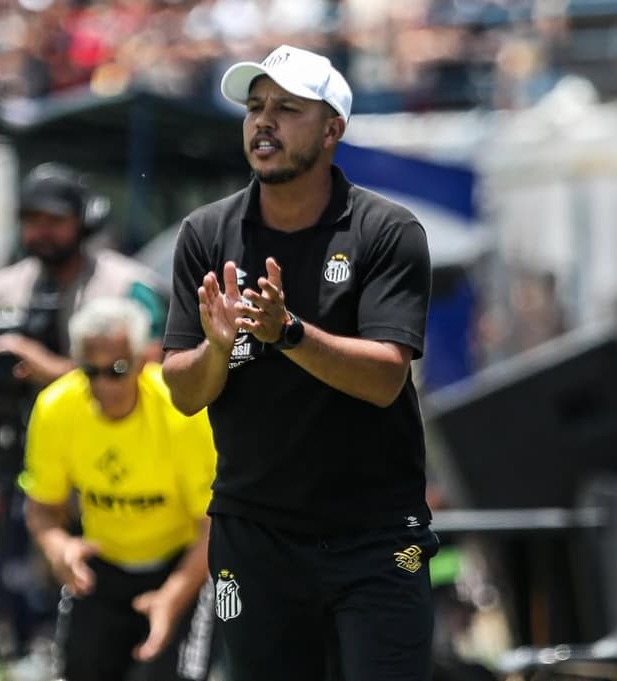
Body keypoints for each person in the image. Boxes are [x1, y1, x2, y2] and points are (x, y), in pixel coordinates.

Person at [161, 44, 438, 681]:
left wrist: (287, 332)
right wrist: (221, 347)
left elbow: (385, 377)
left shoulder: (387, 232)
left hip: (376, 537)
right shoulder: (204, 235)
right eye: (255, 107)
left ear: (332, 129)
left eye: (287, 108)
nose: (264, 121)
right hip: (252, 537)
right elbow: (183, 390)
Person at [0, 161, 167, 666]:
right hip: (11, 452)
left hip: (106, 462)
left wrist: (45, 366)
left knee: (81, 594)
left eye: (53, 219)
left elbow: (153, 366)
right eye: (30, 218)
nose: (40, 231)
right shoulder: (6, 286)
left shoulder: (127, 284)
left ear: (83, 220)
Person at [19, 297, 217, 681]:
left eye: (117, 369)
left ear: (143, 361)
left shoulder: (181, 409)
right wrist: (59, 548)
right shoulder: (55, 407)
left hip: (180, 565)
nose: (104, 384)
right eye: (90, 371)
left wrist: (171, 598)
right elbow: (42, 508)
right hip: (102, 567)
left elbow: (212, 527)